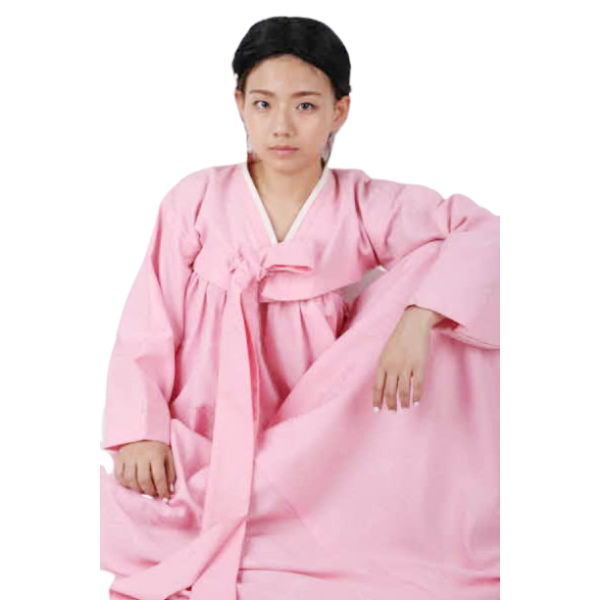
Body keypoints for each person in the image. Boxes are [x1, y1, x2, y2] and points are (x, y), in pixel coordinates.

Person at [100, 14, 500, 600]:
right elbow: (147, 322)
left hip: (317, 437)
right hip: (208, 420)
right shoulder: (194, 198)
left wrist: (420, 319)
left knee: (440, 267)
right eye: (264, 104)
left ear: (340, 111)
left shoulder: (363, 202)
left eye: (306, 106)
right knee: (137, 514)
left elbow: (481, 230)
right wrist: (141, 431)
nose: (282, 126)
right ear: (239, 103)